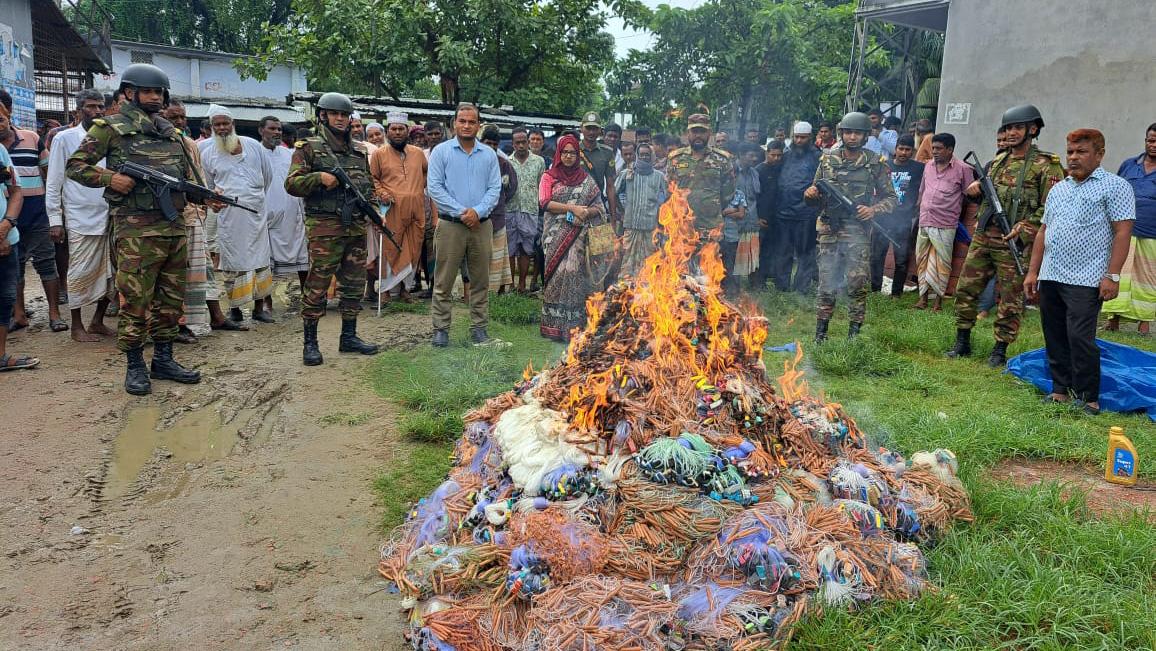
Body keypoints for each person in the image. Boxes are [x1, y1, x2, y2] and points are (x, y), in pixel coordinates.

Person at [66, 63, 208, 394]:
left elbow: (183, 179)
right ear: (130, 93)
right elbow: (75, 166)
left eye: (160, 92)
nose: (156, 97)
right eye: (148, 91)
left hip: (172, 228)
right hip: (134, 231)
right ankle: (134, 365)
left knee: (171, 299)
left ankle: (164, 359)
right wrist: (109, 178)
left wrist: (201, 196)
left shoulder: (171, 134)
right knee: (135, 300)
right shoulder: (110, 128)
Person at [1024, 129, 1135, 414]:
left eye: (1081, 152)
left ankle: (1088, 397)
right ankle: (1060, 389)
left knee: (1080, 338)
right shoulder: (1059, 188)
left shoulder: (1116, 186)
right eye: (1070, 152)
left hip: (1086, 278)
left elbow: (1123, 232)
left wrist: (1112, 275)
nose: (1073, 158)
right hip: (1051, 274)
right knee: (1054, 333)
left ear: (1099, 154)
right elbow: (1043, 232)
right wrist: (1033, 272)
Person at [948, 104, 1065, 366]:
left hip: (1015, 240)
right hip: (984, 236)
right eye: (1008, 127)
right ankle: (962, 341)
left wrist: (1025, 227)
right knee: (966, 288)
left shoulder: (1047, 166)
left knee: (1011, 298)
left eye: (1017, 127)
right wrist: (977, 187)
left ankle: (999, 350)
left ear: (1032, 129)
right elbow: (988, 190)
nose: (1011, 133)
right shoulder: (999, 160)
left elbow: (1052, 207)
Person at [284, 92, 381, 365]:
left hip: (355, 229)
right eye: (334, 114)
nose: (340, 119)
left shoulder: (359, 151)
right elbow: (291, 184)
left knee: (354, 285)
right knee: (317, 285)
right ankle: (310, 343)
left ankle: (348, 337)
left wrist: (374, 212)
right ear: (323, 115)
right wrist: (319, 177)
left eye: (344, 115)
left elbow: (368, 188)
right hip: (325, 229)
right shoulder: (309, 147)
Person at [805, 111, 897, 341]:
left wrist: (872, 210)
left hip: (857, 232)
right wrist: (810, 194)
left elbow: (891, 198)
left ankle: (853, 336)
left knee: (857, 285)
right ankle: (820, 335)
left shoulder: (875, 163)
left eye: (857, 133)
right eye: (848, 132)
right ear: (841, 134)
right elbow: (815, 192)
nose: (852, 137)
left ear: (865, 136)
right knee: (826, 284)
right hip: (829, 231)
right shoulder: (826, 160)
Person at [163, 100, 244, 341]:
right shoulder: (157, 146)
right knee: (176, 276)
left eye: (182, 117)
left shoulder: (188, 145)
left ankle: (216, 317)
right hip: (170, 220)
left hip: (193, 216)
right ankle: (176, 326)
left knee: (203, 271)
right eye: (173, 117)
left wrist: (209, 200)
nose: (179, 122)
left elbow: (197, 183)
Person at [425, 103, 503, 347]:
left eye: (472, 122)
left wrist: (477, 212)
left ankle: (479, 328)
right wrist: (462, 212)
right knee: (444, 280)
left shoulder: (489, 155)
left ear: (479, 125)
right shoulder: (441, 152)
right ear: (454, 124)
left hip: (481, 226)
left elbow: (494, 189)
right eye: (462, 121)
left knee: (480, 280)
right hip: (450, 225)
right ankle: (441, 329)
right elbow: (434, 188)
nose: (467, 125)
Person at [45, 89, 115, 342]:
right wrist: (55, 220)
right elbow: (54, 182)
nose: (97, 111)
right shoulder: (65, 139)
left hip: (110, 214)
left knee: (111, 272)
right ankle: (77, 326)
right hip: (79, 216)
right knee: (79, 272)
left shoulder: (110, 137)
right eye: (91, 107)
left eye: (100, 107)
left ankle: (97, 320)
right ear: (78, 111)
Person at [198, 105, 275, 324]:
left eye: (225, 123)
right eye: (217, 125)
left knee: (260, 261)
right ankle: (235, 309)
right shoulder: (207, 151)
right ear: (212, 127)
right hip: (229, 216)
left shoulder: (252, 145)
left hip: (256, 214)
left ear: (233, 124)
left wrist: (254, 198)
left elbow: (267, 177)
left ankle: (259, 308)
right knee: (232, 263)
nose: (222, 128)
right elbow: (209, 186)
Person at [538, 134, 613, 340]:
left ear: (578, 155)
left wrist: (586, 212)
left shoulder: (586, 179)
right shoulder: (549, 176)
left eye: (573, 152)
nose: (569, 156)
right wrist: (572, 207)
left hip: (579, 236)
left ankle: (573, 326)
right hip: (554, 235)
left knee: (574, 274)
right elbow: (544, 202)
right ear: (559, 153)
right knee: (556, 275)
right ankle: (553, 325)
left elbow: (599, 206)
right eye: (565, 152)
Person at [0, 96, 65, 333]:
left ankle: (54, 313)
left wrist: (53, 210)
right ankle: (19, 315)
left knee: (46, 262)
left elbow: (49, 174)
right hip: (4, 215)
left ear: (9, 112)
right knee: (14, 266)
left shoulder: (32, 138)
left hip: (36, 211)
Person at [1103, 123, 1156, 335]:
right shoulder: (1129, 165)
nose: (1154, 145)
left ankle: (1144, 323)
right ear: (1145, 141)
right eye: (1151, 140)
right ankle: (1112, 320)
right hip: (1123, 230)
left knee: (1147, 278)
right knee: (1117, 274)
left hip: (1152, 233)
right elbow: (1115, 191)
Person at [370, 112, 429, 302]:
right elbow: (372, 179)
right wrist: (382, 194)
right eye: (393, 129)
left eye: (401, 129)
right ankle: (386, 292)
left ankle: (405, 290)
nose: (397, 132)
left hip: (416, 210)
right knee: (390, 249)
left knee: (413, 249)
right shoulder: (379, 154)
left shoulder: (418, 153)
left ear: (407, 131)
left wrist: (417, 190)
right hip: (392, 210)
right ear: (388, 132)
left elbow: (426, 174)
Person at [667, 114, 737, 272]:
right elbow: (670, 189)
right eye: (694, 131)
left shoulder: (722, 160)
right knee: (681, 273)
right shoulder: (675, 159)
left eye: (702, 131)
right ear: (688, 134)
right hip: (682, 227)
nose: (698, 135)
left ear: (709, 134)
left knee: (708, 274)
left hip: (710, 226)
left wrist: (710, 206)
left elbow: (728, 193)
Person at [913, 133, 973, 311]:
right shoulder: (928, 166)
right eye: (933, 148)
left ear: (950, 150)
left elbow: (970, 194)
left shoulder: (963, 169)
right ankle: (922, 299)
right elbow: (922, 190)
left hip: (946, 223)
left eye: (939, 149)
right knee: (921, 259)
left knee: (942, 263)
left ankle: (938, 302)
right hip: (925, 220)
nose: (934, 152)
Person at [258, 116, 309, 311]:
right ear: (261, 131)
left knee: (303, 257)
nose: (277, 132)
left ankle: (307, 296)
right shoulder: (254, 152)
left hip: (293, 213)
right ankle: (266, 300)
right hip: (267, 215)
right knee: (266, 261)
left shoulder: (289, 154)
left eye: (279, 129)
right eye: (272, 129)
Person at [0, 102, 36, 370]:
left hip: (5, 239)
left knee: (5, 297)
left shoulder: (1, 152)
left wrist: (7, 225)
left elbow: (14, 190)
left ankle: (1, 356)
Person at [870, 134, 924, 297]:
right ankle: (875, 291)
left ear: (912, 151)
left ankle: (896, 293)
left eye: (908, 150)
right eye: (901, 148)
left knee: (901, 259)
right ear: (895, 149)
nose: (904, 152)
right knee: (877, 257)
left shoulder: (919, 168)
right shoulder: (884, 165)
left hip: (904, 221)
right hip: (882, 219)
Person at [773, 121, 821, 293]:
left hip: (806, 214)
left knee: (805, 253)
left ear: (810, 137)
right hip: (784, 212)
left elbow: (821, 183)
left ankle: (801, 289)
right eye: (797, 137)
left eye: (803, 137)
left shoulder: (818, 157)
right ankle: (782, 287)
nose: (799, 141)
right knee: (783, 251)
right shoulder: (786, 154)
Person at [616, 141, 667, 277]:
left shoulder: (659, 176)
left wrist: (661, 217)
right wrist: (621, 210)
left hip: (651, 228)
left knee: (650, 263)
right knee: (627, 262)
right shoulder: (627, 173)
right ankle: (625, 291)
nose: (644, 157)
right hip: (630, 226)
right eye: (642, 154)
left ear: (652, 156)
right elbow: (613, 193)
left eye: (647, 155)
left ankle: (646, 292)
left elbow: (669, 198)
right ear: (637, 155)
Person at [507, 127, 546, 293]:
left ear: (528, 142)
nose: (521, 145)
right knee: (510, 249)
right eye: (518, 143)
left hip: (530, 210)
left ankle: (522, 284)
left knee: (526, 249)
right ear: (513, 144)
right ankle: (510, 284)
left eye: (524, 142)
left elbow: (541, 186)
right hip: (510, 209)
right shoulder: (507, 161)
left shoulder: (539, 161)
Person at [480, 126, 517, 294]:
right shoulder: (474, 161)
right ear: (481, 142)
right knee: (480, 253)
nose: (492, 147)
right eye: (488, 143)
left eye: (495, 144)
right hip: (477, 217)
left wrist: (499, 201)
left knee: (498, 255)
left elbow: (511, 188)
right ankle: (478, 290)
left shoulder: (504, 164)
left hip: (498, 216)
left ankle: (498, 290)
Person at [725, 142, 762, 293]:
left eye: (756, 156)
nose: (754, 159)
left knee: (748, 259)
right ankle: (731, 291)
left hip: (750, 223)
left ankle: (748, 289)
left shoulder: (755, 173)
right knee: (731, 259)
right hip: (732, 224)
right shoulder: (730, 172)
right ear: (741, 155)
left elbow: (755, 198)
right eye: (750, 155)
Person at [752, 139, 784, 289]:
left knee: (770, 251)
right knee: (757, 252)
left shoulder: (780, 169)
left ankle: (765, 280)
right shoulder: (758, 171)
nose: (776, 158)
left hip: (776, 217)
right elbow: (753, 197)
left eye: (779, 155)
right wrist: (756, 218)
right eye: (773, 155)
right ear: (767, 153)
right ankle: (756, 282)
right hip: (761, 217)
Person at [578, 112, 617, 220]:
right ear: (581, 128)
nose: (591, 132)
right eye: (588, 128)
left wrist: (613, 217)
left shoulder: (607, 152)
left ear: (600, 130)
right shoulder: (572, 149)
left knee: (600, 237)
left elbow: (610, 186)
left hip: (597, 207)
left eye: (595, 128)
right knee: (573, 237)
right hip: (574, 206)